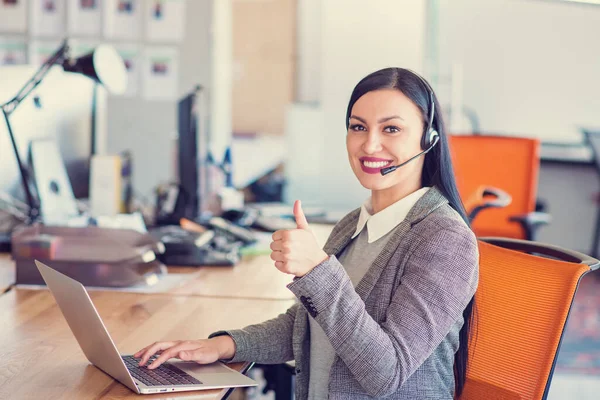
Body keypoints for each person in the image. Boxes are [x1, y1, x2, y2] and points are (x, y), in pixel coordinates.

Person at [135, 67, 479, 399]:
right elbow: (307, 327)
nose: (370, 145)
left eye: (391, 129)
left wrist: (317, 270)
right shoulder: (353, 225)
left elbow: (385, 373)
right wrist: (221, 345)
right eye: (358, 127)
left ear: (428, 139)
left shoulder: (444, 239)